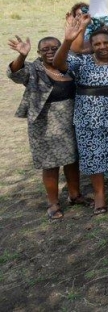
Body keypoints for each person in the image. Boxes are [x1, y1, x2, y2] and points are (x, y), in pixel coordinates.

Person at [7, 34, 90, 219]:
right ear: (38, 53)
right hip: (44, 123)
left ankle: (75, 195)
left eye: (54, 48)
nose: (50, 51)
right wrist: (22, 55)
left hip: (70, 118)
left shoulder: (68, 67)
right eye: (45, 49)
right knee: (50, 164)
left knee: (72, 159)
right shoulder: (34, 68)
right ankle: (53, 203)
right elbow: (15, 74)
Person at [54, 16, 108, 214]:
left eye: (106, 42)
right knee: (93, 155)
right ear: (91, 45)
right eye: (97, 43)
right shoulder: (82, 61)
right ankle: (99, 194)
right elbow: (59, 64)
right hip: (88, 118)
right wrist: (68, 40)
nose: (102, 46)